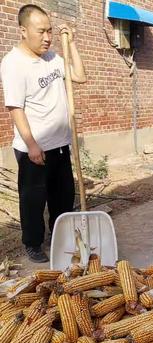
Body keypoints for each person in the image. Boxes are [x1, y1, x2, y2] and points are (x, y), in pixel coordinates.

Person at [1, 4, 86, 263]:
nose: (48, 37)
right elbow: (16, 108)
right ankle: (33, 244)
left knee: (63, 196)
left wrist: (69, 43)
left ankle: (59, 237)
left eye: (50, 31)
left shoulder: (53, 58)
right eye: (41, 31)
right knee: (33, 200)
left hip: (61, 144)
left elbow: (79, 76)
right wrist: (31, 144)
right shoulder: (14, 63)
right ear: (23, 31)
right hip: (34, 147)